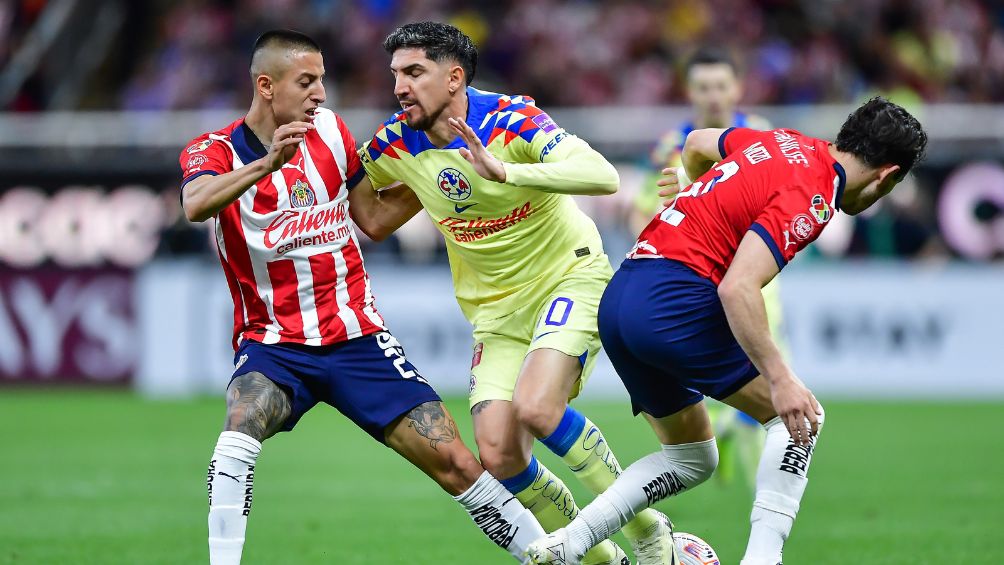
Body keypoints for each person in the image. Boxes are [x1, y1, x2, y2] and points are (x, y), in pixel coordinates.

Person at [181, 29, 546, 564]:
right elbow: (195, 204)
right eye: (307, 82)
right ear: (266, 86)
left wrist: (443, 170)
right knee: (241, 427)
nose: (321, 94)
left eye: (322, 80)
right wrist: (266, 166)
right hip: (275, 344)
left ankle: (557, 557)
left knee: (460, 467)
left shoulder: (328, 131)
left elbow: (372, 217)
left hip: (358, 338)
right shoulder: (212, 150)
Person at [527, 97, 927, 565]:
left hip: (623, 296)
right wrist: (781, 380)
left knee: (693, 457)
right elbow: (738, 289)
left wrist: (695, 192)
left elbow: (696, 143)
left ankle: (568, 544)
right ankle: (763, 559)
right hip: (671, 303)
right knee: (800, 421)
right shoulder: (813, 195)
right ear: (886, 176)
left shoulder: (780, 142)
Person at [358, 21, 676, 565]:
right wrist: (421, 183)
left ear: (454, 77)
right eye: (396, 75)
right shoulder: (395, 140)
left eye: (414, 73)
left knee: (537, 406)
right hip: (494, 313)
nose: (400, 87)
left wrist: (505, 171)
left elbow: (601, 176)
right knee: (499, 453)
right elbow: (370, 216)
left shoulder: (510, 118)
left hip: (568, 277)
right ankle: (602, 562)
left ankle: (650, 532)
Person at [635, 48, 774, 491]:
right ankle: (739, 449)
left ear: (737, 88)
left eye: (720, 85)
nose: (713, 96)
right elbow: (646, 210)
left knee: (769, 374)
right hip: (699, 275)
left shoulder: (762, 135)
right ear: (689, 90)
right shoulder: (670, 146)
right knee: (748, 378)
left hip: (757, 274)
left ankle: (745, 458)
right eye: (703, 87)